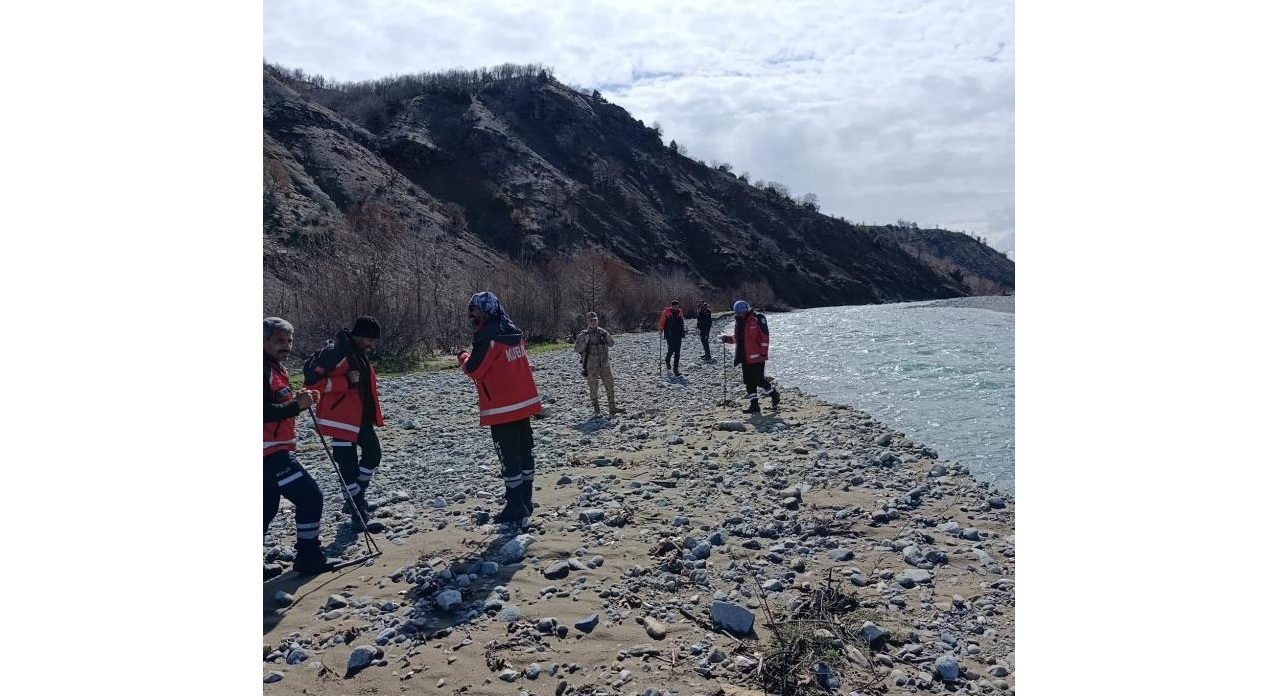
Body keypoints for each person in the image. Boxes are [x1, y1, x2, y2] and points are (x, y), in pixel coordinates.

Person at [458, 291, 543, 527]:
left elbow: (475, 370)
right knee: (525, 451)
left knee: (508, 456)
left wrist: (463, 357)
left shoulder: (488, 336)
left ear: (485, 311)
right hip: (523, 403)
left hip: (501, 407)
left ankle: (515, 504)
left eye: (474, 311)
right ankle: (526, 498)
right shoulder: (514, 332)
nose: (472, 316)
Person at [264, 317, 337, 577]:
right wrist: (298, 405)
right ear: (263, 341)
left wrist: (298, 400)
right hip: (269, 453)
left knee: (267, 507)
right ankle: (308, 557)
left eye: (289, 340)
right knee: (310, 496)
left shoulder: (274, 367)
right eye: (279, 340)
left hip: (273, 449)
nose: (286, 345)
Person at [303, 316, 386, 534]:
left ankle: (355, 496)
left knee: (373, 454)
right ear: (359, 335)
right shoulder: (336, 353)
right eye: (370, 340)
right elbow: (311, 384)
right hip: (340, 419)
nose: (372, 345)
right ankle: (358, 511)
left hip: (359, 418)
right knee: (348, 465)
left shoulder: (355, 350)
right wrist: (345, 382)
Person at [731, 300, 780, 414]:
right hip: (744, 357)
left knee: (759, 380)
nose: (738, 315)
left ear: (745, 311)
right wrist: (727, 339)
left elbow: (765, 338)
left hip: (757, 357)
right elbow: (737, 338)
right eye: (737, 313)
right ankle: (754, 406)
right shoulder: (739, 322)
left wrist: (763, 354)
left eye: (740, 313)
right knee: (748, 382)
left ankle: (773, 394)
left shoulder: (757, 319)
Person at [574, 311, 625, 417]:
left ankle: (612, 408)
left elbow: (612, 344)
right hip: (591, 365)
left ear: (597, 320)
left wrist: (606, 335)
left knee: (610, 385)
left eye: (595, 320)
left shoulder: (603, 332)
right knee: (593, 387)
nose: (593, 322)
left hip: (604, 364)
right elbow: (576, 348)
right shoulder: (583, 335)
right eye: (591, 320)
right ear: (587, 322)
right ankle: (596, 409)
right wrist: (585, 342)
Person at [658, 299, 687, 376]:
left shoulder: (680, 312)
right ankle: (667, 360)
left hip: (678, 335)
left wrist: (683, 331)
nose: (676, 308)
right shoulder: (666, 313)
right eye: (675, 307)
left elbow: (682, 322)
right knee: (671, 349)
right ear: (672, 306)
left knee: (677, 352)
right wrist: (661, 330)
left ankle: (676, 369)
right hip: (669, 335)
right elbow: (662, 321)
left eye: (677, 306)